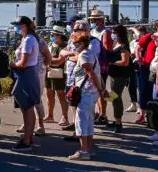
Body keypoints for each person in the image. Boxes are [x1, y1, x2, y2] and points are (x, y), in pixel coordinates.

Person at [67, 32, 107, 160]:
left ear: (82, 43)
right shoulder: (92, 54)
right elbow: (97, 73)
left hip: (84, 92)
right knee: (89, 121)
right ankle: (89, 148)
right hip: (92, 92)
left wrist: (101, 89)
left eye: (76, 43)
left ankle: (83, 150)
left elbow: (91, 73)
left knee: (81, 122)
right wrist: (101, 89)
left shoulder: (84, 55)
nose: (74, 45)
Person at [10, 16, 42, 152]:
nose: (17, 27)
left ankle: (27, 140)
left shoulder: (29, 39)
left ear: (26, 26)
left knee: (27, 108)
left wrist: (12, 64)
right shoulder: (27, 38)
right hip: (29, 73)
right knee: (27, 107)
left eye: (19, 25)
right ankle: (28, 136)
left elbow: (23, 63)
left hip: (27, 74)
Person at [106, 24, 132, 134]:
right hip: (113, 75)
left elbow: (125, 62)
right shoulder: (117, 44)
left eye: (114, 33)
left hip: (120, 76)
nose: (112, 34)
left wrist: (112, 62)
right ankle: (117, 119)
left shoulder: (124, 46)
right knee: (113, 97)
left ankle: (118, 122)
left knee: (115, 97)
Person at [45, 25, 70, 128]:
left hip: (60, 74)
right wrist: (50, 61)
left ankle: (65, 117)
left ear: (59, 35)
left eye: (53, 34)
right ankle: (49, 115)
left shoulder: (64, 46)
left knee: (61, 95)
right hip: (49, 73)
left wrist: (48, 60)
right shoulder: (50, 44)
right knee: (49, 94)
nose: (51, 36)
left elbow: (60, 60)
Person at [135, 23, 158, 124]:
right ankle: (142, 115)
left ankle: (154, 116)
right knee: (143, 91)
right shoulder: (149, 37)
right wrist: (139, 59)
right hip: (145, 68)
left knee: (156, 94)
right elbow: (137, 47)